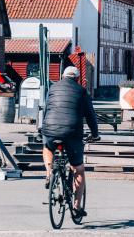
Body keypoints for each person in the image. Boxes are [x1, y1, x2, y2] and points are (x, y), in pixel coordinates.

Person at [41, 66, 99, 217]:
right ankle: (77, 207)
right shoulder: (81, 91)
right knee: (78, 169)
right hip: (72, 133)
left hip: (50, 128)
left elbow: (47, 109)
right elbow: (90, 115)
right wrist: (95, 134)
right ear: (78, 79)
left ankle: (48, 173)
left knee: (48, 148)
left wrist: (45, 127)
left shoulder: (52, 88)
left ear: (62, 76)